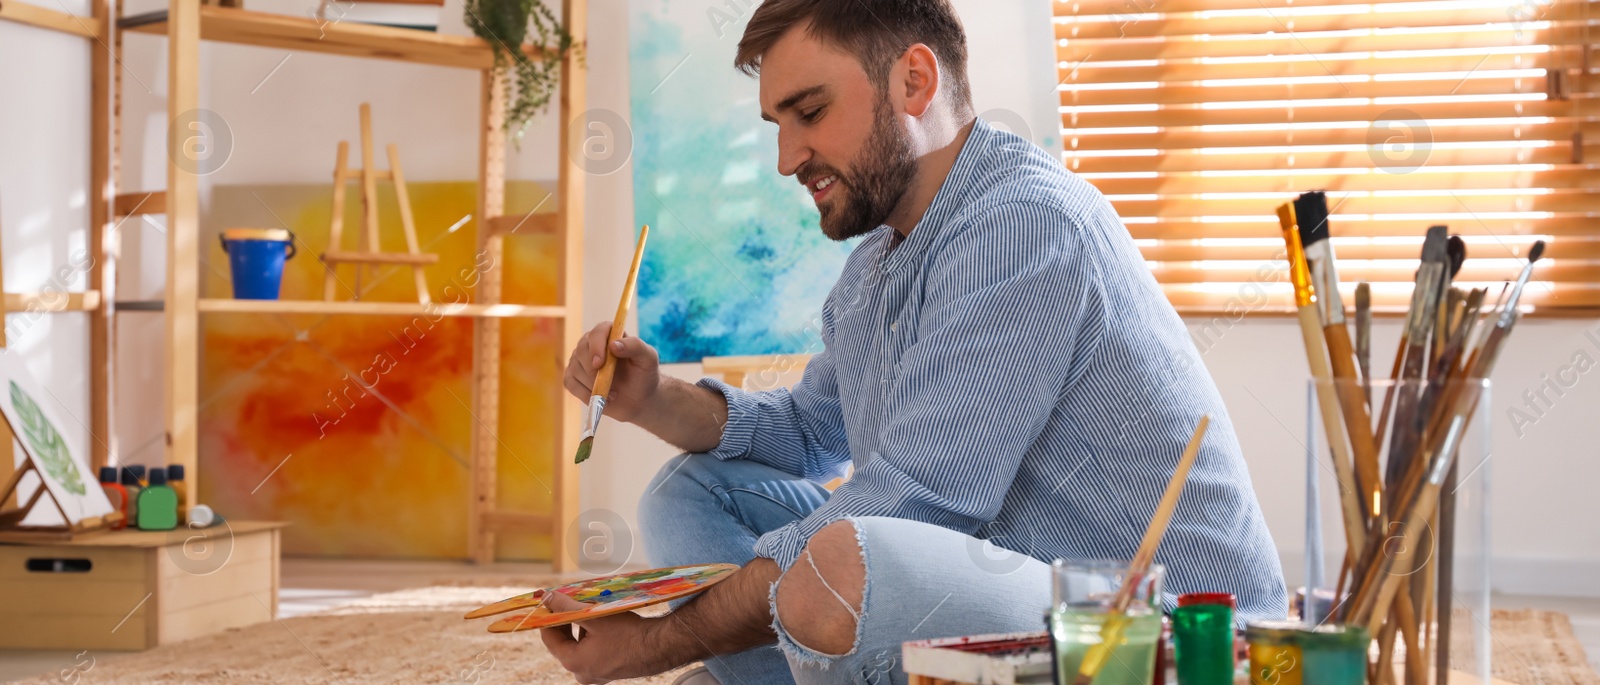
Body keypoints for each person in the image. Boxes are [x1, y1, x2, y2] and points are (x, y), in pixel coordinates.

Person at [547, 1, 1286, 683]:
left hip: (1157, 635)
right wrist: (651, 399)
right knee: (691, 492)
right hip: (1008, 595)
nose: (787, 157)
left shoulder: (1024, 226)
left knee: (843, 557)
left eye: (810, 112)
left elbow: (908, 507)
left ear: (914, 80)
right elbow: (809, 432)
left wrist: (651, 646)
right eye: (779, 124)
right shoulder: (877, 263)